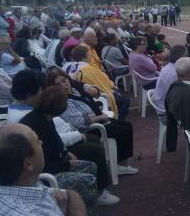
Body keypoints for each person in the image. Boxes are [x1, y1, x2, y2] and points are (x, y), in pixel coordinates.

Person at [9, 70, 120, 206]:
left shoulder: (38, 114)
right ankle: (91, 199)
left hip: (58, 152)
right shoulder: (30, 122)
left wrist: (65, 152)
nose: (43, 93)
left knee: (92, 150)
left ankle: (95, 194)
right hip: (45, 170)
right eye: (41, 90)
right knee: (93, 151)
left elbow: (53, 140)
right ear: (29, 94)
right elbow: (41, 160)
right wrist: (75, 141)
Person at [20, 87, 99, 215]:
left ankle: (88, 203)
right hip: (40, 177)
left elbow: (56, 142)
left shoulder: (45, 118)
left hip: (53, 164)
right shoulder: (38, 125)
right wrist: (66, 165)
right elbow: (42, 165)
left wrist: (65, 152)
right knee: (87, 179)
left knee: (91, 166)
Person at [47, 68, 138, 176]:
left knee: (127, 125)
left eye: (65, 80)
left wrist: (92, 88)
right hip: (89, 128)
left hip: (98, 119)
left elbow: (93, 91)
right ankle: (120, 166)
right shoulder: (63, 100)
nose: (64, 85)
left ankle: (121, 164)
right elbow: (79, 122)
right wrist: (100, 117)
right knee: (122, 131)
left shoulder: (76, 88)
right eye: (58, 84)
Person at [0, 123, 87, 216]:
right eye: (37, 140)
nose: (41, 142)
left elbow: (69, 194)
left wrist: (73, 196)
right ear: (28, 163)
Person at [69, 45, 130, 120]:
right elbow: (103, 85)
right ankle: (118, 120)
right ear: (84, 57)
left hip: (85, 95)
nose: (91, 56)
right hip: (96, 95)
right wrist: (112, 85)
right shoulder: (88, 69)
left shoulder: (72, 67)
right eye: (89, 55)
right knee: (125, 100)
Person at [153, 45, 187, 111]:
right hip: (164, 106)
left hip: (163, 100)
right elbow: (174, 95)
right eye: (186, 56)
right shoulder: (173, 72)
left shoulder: (170, 66)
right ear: (181, 57)